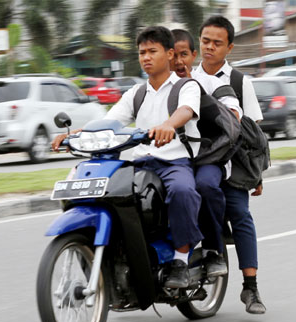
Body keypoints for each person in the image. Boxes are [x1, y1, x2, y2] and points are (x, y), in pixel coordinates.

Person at [52, 26, 203, 289]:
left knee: (182, 191)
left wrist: (168, 125)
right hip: (142, 162)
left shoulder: (185, 86)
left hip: (173, 162)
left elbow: (186, 111)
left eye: (152, 51)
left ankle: (180, 258)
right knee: (109, 194)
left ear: (169, 54)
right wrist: (75, 135)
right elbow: (110, 120)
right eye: (142, 52)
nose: (146, 57)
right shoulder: (137, 93)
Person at [194, 15, 266, 315]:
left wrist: (257, 175)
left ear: (229, 48)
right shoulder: (186, 78)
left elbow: (253, 132)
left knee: (240, 214)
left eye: (217, 43)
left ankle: (250, 287)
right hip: (194, 161)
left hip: (232, 164)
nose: (209, 47)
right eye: (205, 41)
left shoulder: (239, 82)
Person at [170, 28, 242, 278]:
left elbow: (234, 117)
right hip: (174, 158)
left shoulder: (213, 83)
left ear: (193, 54)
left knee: (205, 186)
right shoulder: (159, 87)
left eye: (184, 55)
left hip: (210, 157)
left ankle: (213, 249)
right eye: (174, 56)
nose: (179, 62)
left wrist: (199, 94)